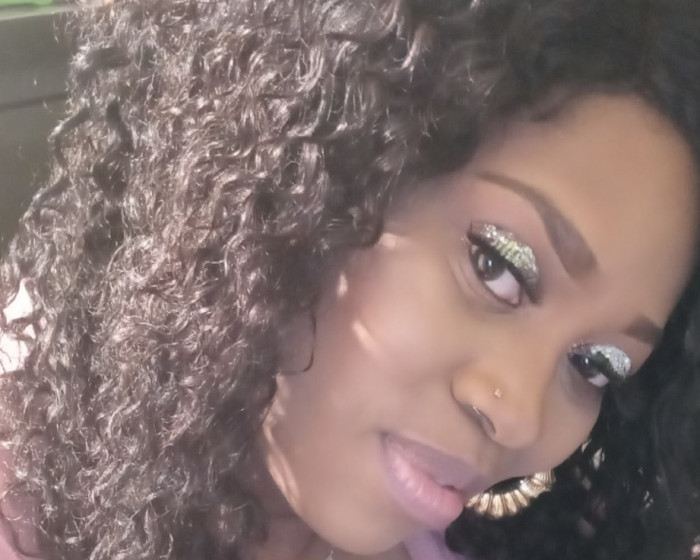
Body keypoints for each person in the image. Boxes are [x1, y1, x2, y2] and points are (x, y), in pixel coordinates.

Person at [0, 0, 699, 559]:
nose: (520, 414)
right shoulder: (28, 481)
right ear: (308, 170)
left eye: (593, 364)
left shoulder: (531, 539)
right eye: (498, 267)